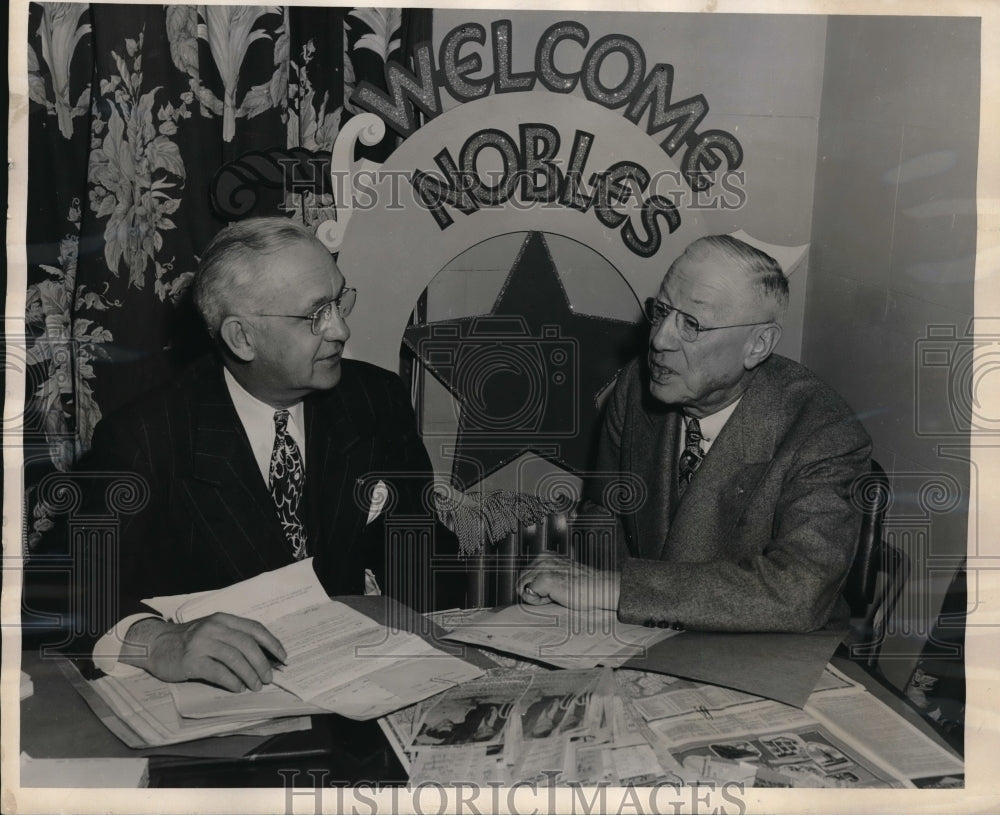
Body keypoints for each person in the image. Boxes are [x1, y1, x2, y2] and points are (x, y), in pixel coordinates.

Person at [40, 217, 462, 691]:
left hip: (357, 690)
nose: (341, 329)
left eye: (339, 301)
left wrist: (522, 578)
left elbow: (424, 559)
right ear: (242, 338)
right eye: (315, 314)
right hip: (227, 711)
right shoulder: (146, 437)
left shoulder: (375, 400)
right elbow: (54, 589)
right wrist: (156, 642)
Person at [517, 235, 871, 633]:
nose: (659, 340)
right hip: (645, 637)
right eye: (662, 311)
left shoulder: (823, 430)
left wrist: (613, 590)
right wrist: (592, 600)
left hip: (773, 655)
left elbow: (799, 593)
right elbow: (603, 513)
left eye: (692, 324)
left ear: (757, 345)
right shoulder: (637, 386)